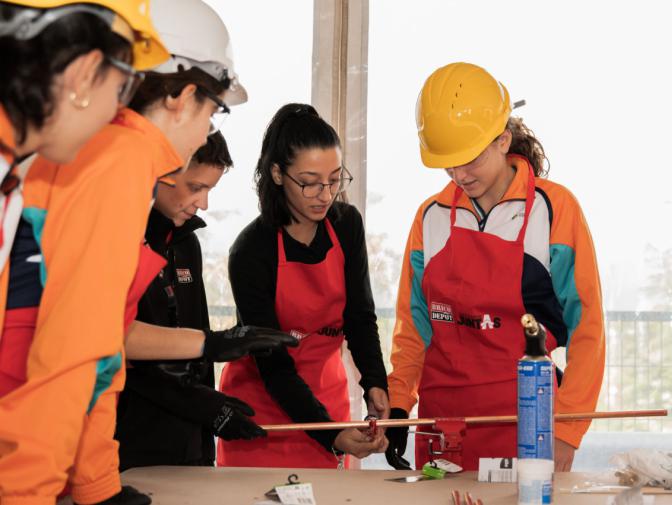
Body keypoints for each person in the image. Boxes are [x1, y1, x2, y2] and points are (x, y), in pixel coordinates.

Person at [0, 1, 250, 502]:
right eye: (214, 110)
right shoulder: (121, 159)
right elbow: (74, 353)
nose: (209, 131)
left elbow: (101, 344)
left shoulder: (113, 158)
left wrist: (97, 484)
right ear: (182, 97)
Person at [384, 62, 605, 472]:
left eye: (469, 159)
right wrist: (399, 408)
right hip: (440, 429)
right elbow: (412, 329)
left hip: (526, 427)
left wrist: (567, 431)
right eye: (448, 164)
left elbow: (587, 330)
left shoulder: (554, 211)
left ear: (503, 140)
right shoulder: (429, 217)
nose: (459, 175)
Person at [218, 103, 389, 468]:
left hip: (327, 400)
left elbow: (360, 316)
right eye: (310, 183)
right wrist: (331, 433)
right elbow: (274, 367)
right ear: (278, 174)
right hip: (262, 413)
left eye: (334, 179)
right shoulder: (251, 251)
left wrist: (375, 380)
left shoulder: (346, 225)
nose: (325, 195)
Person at [116, 131, 296, 469]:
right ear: (160, 171)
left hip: (192, 444)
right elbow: (120, 348)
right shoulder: (119, 241)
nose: (204, 203)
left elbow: (196, 345)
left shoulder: (186, 244)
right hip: (130, 446)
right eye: (196, 187)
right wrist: (205, 402)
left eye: (209, 190)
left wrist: (211, 410)